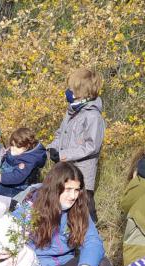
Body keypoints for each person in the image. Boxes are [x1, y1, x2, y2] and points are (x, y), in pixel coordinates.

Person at [14, 162, 112, 266]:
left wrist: (87, 265)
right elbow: (7, 238)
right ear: (55, 188)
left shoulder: (78, 209)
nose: (73, 196)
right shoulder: (31, 208)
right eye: (67, 190)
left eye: (76, 190)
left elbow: (92, 239)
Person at [47, 68, 105, 220]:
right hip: (65, 170)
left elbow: (92, 146)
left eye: (72, 88)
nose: (68, 91)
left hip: (83, 173)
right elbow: (61, 133)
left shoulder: (93, 116)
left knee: (84, 208)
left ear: (81, 91)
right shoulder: (71, 111)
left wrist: (63, 155)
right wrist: (52, 147)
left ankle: (91, 237)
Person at [0, 127, 48, 198]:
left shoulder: (28, 160)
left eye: (16, 147)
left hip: (18, 188)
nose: (12, 149)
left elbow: (18, 176)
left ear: (26, 147)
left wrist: (2, 178)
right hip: (7, 179)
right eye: (12, 145)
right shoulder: (20, 151)